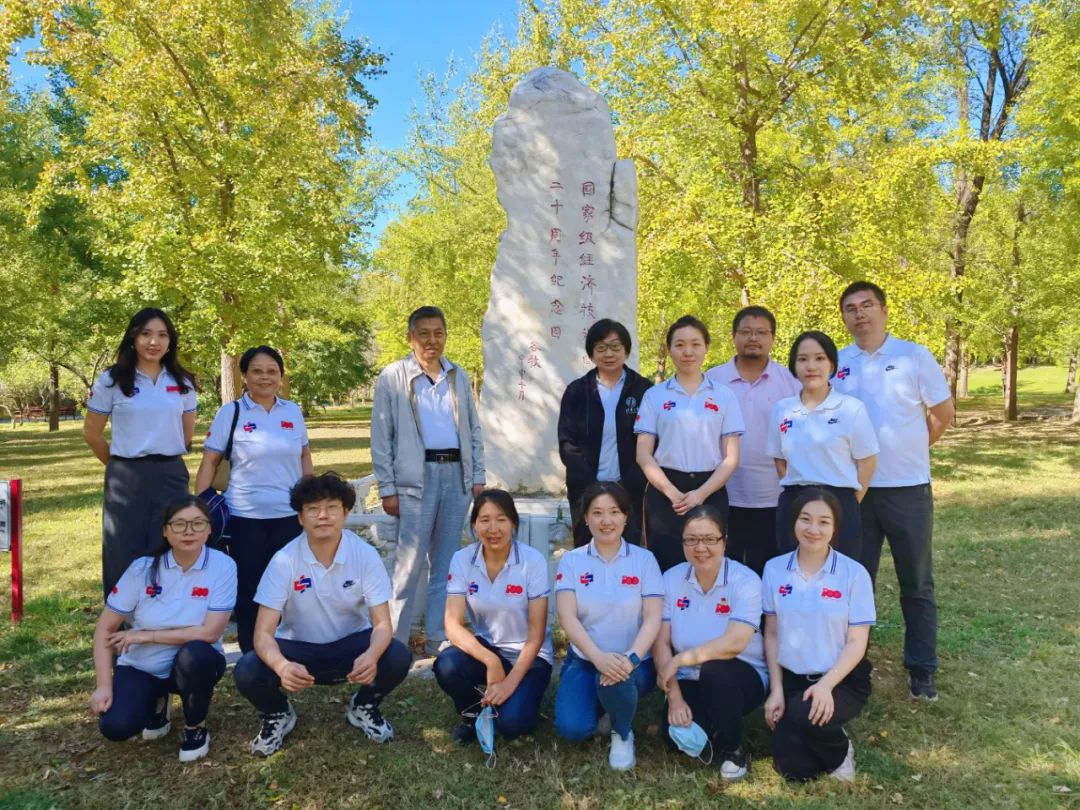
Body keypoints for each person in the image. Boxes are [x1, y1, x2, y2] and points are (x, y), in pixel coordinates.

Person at [233, 473, 412, 756]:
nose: (323, 516)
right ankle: (278, 713)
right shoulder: (284, 560)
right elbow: (263, 633)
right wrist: (282, 666)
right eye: (313, 509)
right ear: (300, 518)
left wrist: (371, 655)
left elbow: (381, 624)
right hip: (298, 649)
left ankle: (364, 705)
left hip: (351, 646)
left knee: (398, 655)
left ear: (346, 512)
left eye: (332, 507)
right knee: (247, 668)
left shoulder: (365, 555)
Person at [833, 281, 954, 701]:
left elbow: (943, 414)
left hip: (907, 489)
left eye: (867, 305)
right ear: (844, 317)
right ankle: (852, 666)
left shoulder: (913, 356)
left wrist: (911, 450)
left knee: (916, 581)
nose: (860, 314)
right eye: (851, 308)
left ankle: (921, 669)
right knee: (855, 582)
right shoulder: (837, 362)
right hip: (856, 492)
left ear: (884, 310)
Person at [371, 306, 486, 655]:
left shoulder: (457, 376)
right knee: (407, 564)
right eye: (423, 333)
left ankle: (438, 635)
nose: (431, 340)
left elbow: (473, 429)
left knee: (447, 563)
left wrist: (477, 475)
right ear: (410, 337)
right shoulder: (393, 377)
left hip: (456, 476)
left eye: (438, 333)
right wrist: (387, 487)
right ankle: (395, 642)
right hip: (415, 480)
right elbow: (381, 436)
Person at [90, 497, 236, 762]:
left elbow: (210, 633)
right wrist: (103, 686)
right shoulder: (142, 569)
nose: (188, 531)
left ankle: (195, 726)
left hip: (193, 662)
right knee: (115, 726)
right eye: (179, 524)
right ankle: (158, 701)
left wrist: (145, 636)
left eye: (197, 523)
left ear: (209, 529)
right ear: (165, 531)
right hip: (142, 665)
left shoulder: (223, 566)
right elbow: (104, 629)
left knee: (196, 655)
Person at [194, 345, 314, 654]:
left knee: (290, 586)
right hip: (245, 517)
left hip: (289, 516)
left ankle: (287, 650)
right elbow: (210, 462)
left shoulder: (292, 411)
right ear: (244, 376)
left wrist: (310, 499)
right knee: (250, 589)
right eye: (257, 371)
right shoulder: (231, 413)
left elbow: (304, 455)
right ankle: (253, 655)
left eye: (272, 371)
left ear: (281, 376)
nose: (265, 377)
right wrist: (200, 509)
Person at [762, 488, 876, 782]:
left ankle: (839, 750)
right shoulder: (774, 570)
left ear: (835, 528)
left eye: (823, 522)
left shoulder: (854, 574)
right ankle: (812, 725)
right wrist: (776, 689)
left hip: (841, 679)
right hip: (792, 678)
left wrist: (826, 685)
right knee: (793, 770)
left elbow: (857, 641)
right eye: (805, 519)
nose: (813, 529)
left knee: (803, 714)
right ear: (794, 522)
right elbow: (771, 634)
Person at [84, 308, 198, 598]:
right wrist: (120, 465)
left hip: (171, 473)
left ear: (170, 342)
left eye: (162, 335)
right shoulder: (111, 380)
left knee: (172, 542)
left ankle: (168, 611)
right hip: (126, 475)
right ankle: (122, 617)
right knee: (123, 547)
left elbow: (187, 435)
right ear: (133, 338)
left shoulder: (183, 382)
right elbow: (92, 434)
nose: (154, 342)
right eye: (146, 334)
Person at [554, 481, 664, 771]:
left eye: (614, 512)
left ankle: (622, 732)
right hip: (586, 660)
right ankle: (605, 704)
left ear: (626, 517)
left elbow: (653, 617)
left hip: (634, 663)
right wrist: (598, 658)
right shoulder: (572, 562)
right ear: (585, 518)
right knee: (572, 728)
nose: (606, 521)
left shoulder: (644, 560)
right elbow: (567, 616)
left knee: (618, 679)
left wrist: (630, 658)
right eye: (597, 513)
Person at [654, 505, 768, 781]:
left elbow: (734, 643)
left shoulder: (745, 581)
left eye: (709, 539)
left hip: (741, 675)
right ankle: (714, 726)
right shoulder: (671, 579)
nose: (700, 548)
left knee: (715, 671)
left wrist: (679, 660)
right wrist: (675, 698)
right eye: (691, 540)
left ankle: (732, 750)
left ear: (724, 542)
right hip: (689, 677)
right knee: (674, 736)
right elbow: (660, 642)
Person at [433, 489, 553, 744]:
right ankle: (473, 713)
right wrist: (491, 661)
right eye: (485, 520)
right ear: (475, 525)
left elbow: (536, 635)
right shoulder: (462, 559)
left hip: (530, 656)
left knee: (512, 724)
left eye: (501, 519)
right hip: (488, 648)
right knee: (447, 664)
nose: (493, 528)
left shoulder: (532, 562)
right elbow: (452, 624)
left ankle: (512, 697)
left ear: (513, 523)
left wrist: (509, 683)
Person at [635, 315, 744, 572]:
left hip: (711, 488)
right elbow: (643, 454)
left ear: (706, 347)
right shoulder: (654, 395)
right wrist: (671, 492)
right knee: (666, 563)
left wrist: (701, 494)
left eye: (695, 344)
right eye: (680, 344)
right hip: (665, 491)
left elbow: (731, 458)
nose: (688, 352)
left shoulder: (724, 395)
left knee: (708, 563)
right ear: (669, 349)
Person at [766, 331, 878, 560]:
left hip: (840, 503)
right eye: (802, 359)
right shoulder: (782, 409)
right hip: (795, 504)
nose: (811, 366)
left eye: (819, 358)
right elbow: (779, 459)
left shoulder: (851, 408)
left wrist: (848, 502)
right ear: (794, 365)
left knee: (838, 573)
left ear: (832, 364)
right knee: (793, 571)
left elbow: (867, 461)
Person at [706, 306, 800, 575]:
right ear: (733, 336)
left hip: (775, 494)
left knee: (769, 570)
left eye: (761, 332)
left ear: (773, 338)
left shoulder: (791, 381)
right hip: (722, 493)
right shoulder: (712, 380)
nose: (753, 338)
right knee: (725, 570)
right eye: (746, 332)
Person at [558, 319, 652, 547]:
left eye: (615, 347)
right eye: (601, 348)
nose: (609, 353)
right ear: (591, 353)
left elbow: (652, 442)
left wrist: (629, 482)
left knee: (628, 551)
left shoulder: (644, 390)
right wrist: (591, 484)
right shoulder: (577, 391)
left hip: (630, 490)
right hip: (585, 489)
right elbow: (567, 443)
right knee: (586, 550)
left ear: (626, 350)